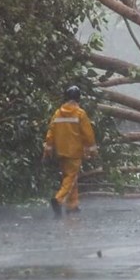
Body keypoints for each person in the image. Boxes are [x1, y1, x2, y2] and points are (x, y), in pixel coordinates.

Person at [41, 85, 97, 217]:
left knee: (70, 177)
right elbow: (88, 135)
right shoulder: (80, 114)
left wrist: (47, 151)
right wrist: (93, 150)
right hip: (74, 152)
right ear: (78, 99)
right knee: (70, 179)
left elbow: (50, 134)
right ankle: (58, 199)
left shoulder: (57, 113)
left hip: (61, 152)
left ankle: (72, 205)